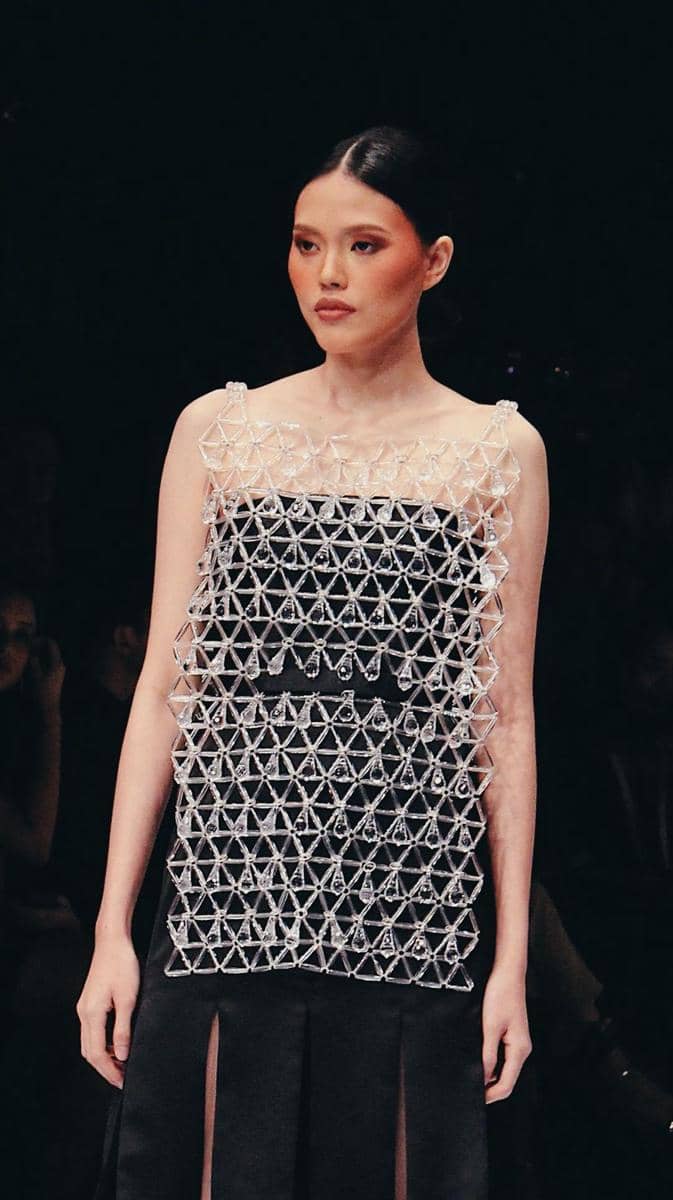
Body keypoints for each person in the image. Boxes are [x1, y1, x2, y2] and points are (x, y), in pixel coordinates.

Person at [77, 124, 549, 1200]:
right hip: (226, 896)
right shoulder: (219, 432)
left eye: (363, 245)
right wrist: (112, 931)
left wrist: (510, 962)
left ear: (433, 260)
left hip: (409, 905)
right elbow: (168, 688)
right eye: (304, 244)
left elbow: (505, 715)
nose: (327, 274)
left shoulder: (495, 450)